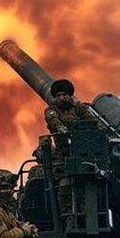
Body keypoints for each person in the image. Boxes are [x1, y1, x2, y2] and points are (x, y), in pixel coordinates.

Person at [42, 78, 97, 218]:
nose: (61, 98)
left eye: (64, 95)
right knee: (65, 187)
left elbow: (92, 122)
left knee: (87, 187)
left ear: (69, 95)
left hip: (82, 154)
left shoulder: (79, 108)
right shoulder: (51, 110)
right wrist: (60, 127)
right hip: (63, 155)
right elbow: (53, 121)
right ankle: (69, 218)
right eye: (58, 95)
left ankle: (88, 217)